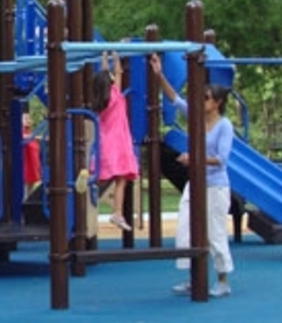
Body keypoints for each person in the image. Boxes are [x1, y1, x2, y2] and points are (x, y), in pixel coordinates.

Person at [150, 53, 234, 297]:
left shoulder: (224, 126)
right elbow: (174, 98)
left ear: (217, 102)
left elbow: (221, 160)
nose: (202, 101)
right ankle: (194, 276)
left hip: (215, 186)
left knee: (215, 233)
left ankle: (222, 280)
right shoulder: (197, 117)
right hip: (196, 183)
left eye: (206, 98)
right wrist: (158, 74)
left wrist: (193, 158)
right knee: (186, 229)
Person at [90, 51, 139, 231]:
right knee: (121, 178)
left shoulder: (98, 100)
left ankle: (84, 187)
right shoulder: (115, 95)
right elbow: (118, 73)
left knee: (102, 177)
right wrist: (116, 56)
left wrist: (103, 58)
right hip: (118, 142)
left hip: (104, 143)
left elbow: (106, 74)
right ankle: (117, 213)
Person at [22, 112, 42, 200]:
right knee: (24, 190)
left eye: (29, 118)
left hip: (32, 168)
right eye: (25, 119)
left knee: (30, 189)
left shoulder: (30, 132)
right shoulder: (21, 133)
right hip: (25, 167)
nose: (28, 120)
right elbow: (25, 137)